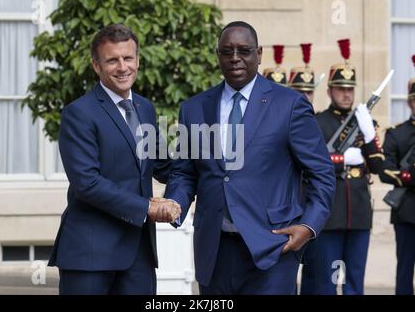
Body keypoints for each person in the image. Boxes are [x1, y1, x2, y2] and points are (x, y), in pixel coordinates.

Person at [159, 21, 335, 295]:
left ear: (259, 53)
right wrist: (174, 202)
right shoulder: (194, 109)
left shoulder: (289, 105)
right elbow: (185, 173)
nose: (235, 58)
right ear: (218, 55)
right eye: (227, 51)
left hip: (273, 248)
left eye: (244, 50)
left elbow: (322, 174)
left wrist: (308, 226)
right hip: (214, 250)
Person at [48, 24, 180, 295]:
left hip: (139, 256)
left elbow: (165, 165)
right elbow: (88, 183)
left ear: (138, 60)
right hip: (90, 255)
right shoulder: (79, 113)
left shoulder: (145, 108)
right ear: (96, 66)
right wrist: (147, 207)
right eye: (112, 60)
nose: (123, 67)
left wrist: (216, 173)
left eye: (128, 58)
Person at [312, 39, 384, 295]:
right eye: (340, 88)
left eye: (350, 89)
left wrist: (368, 133)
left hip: (359, 212)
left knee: (355, 279)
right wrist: (343, 160)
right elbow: (314, 165)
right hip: (331, 213)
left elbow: (377, 166)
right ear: (330, 91)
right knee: (327, 281)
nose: (346, 94)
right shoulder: (318, 122)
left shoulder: (364, 120)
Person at [378, 55, 415, 295]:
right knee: (405, 270)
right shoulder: (397, 134)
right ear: (410, 103)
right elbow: (385, 171)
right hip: (407, 212)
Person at [288, 43, 318, 294]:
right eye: (299, 91)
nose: (304, 98)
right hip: (291, 210)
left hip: (313, 213)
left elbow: (320, 171)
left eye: (309, 92)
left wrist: (309, 223)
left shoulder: (315, 122)